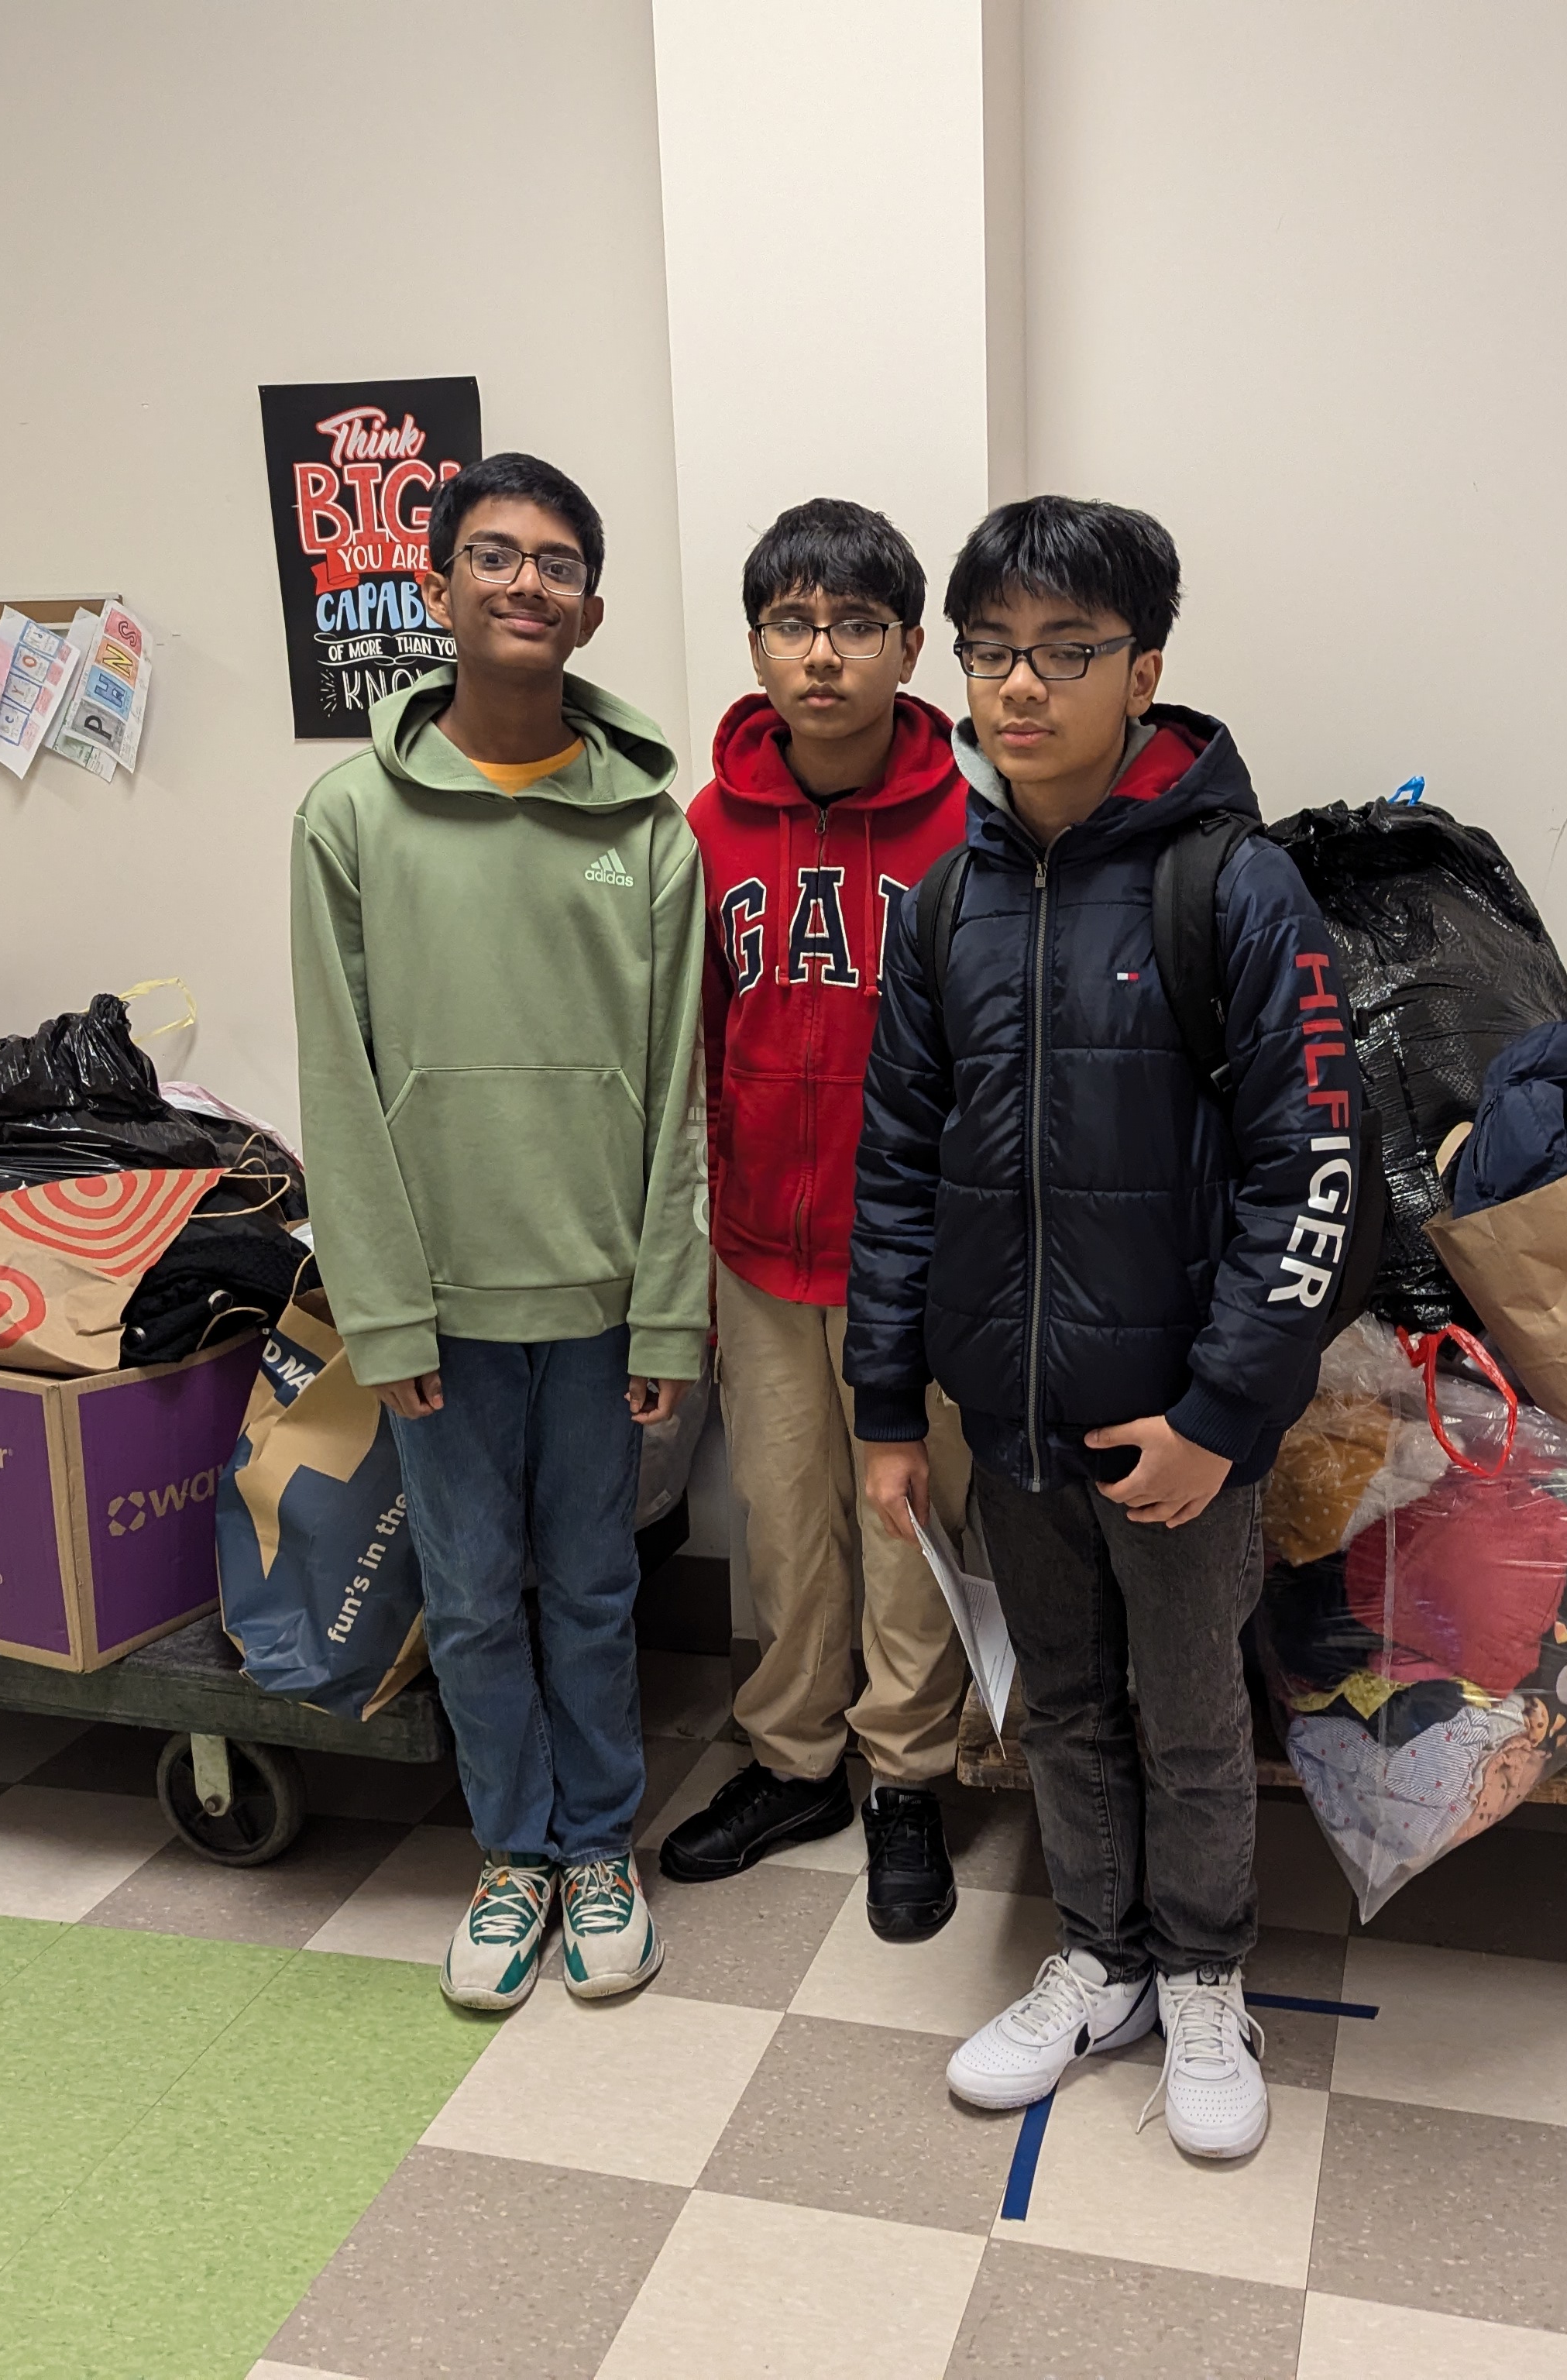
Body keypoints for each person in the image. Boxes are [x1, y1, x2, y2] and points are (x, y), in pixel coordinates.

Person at [847, 495, 1350, 2160]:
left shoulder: (1237, 890)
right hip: (1012, 1417)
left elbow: (1311, 1178)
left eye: (1066, 653)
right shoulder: (947, 905)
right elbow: (900, 1168)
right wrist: (887, 1407)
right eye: (993, 653)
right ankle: (1100, 1955)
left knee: (1195, 1712)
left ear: (1145, 670)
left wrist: (1221, 1416)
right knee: (1058, 1700)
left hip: (1181, 1432)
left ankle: (1206, 1971)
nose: (1022, 689)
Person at [290, 451, 704, 2014]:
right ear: (436, 590)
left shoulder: (649, 833)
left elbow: (677, 1102)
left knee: (596, 1589)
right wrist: (384, 1318)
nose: (524, 582)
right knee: (470, 1597)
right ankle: (512, 1858)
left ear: (589, 608)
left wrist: (668, 1313)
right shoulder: (349, 818)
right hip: (441, 1313)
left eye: (555, 563)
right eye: (492, 555)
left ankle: (601, 1852)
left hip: (598, 1305)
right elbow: (341, 1079)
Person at [662, 499, 976, 1941]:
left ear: (910, 647)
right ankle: (796, 1761)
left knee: (907, 1521)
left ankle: (909, 1776)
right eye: (795, 623)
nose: (825, 655)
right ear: (757, 646)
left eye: (858, 626)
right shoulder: (709, 830)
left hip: (926, 1257)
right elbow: (691, 1045)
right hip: (762, 1255)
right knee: (785, 1528)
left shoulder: (975, 828)